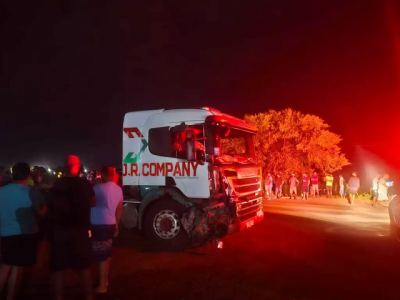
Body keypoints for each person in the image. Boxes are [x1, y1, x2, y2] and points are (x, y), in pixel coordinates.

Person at [48, 155, 96, 300]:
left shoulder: (57, 184)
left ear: (65, 166)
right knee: (83, 267)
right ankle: (89, 297)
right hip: (79, 230)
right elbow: (93, 202)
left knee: (58, 269)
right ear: (77, 166)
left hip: (59, 230)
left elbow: (51, 205)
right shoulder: (84, 184)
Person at [0, 162, 46, 300]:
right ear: (28, 175)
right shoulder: (32, 192)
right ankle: (10, 296)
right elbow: (41, 212)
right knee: (17, 268)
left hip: (5, 233)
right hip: (24, 234)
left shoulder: (2, 191)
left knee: (5, 266)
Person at [91, 166, 123, 293]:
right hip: (111, 223)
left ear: (103, 175)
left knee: (101, 257)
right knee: (107, 253)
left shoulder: (97, 188)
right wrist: (116, 224)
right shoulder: (118, 189)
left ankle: (102, 286)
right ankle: (105, 281)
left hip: (99, 224)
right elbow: (120, 208)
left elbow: (91, 203)